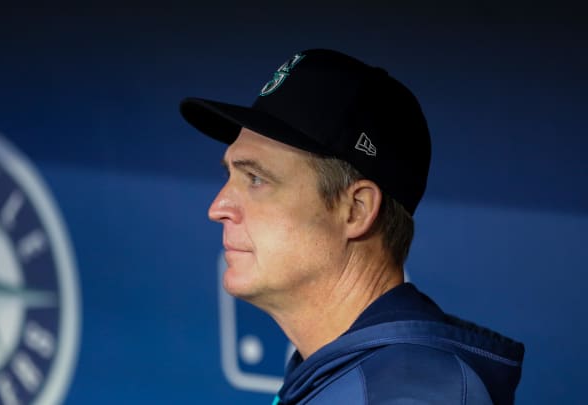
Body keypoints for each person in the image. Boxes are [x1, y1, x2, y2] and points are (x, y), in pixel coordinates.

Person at [179, 49, 524, 404]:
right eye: (230, 175)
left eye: (255, 178)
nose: (217, 208)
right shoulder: (353, 374)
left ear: (356, 210)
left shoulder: (409, 394)